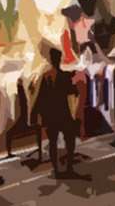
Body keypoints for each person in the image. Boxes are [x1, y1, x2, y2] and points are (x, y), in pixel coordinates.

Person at [34, 48, 81, 178]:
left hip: (50, 114)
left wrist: (41, 116)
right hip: (63, 112)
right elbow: (73, 91)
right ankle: (69, 167)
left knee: (53, 142)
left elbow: (40, 98)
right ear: (60, 59)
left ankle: (56, 170)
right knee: (69, 140)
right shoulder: (65, 75)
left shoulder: (45, 76)